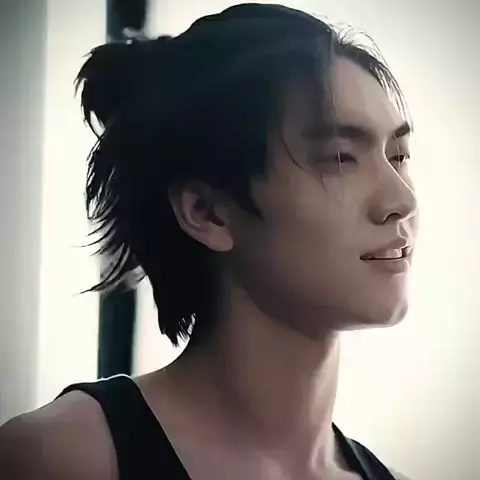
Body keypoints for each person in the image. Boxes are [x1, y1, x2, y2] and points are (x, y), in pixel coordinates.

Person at [0, 3, 417, 479]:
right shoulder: (60, 458)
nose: (402, 200)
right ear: (207, 211)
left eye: (398, 156)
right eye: (341, 158)